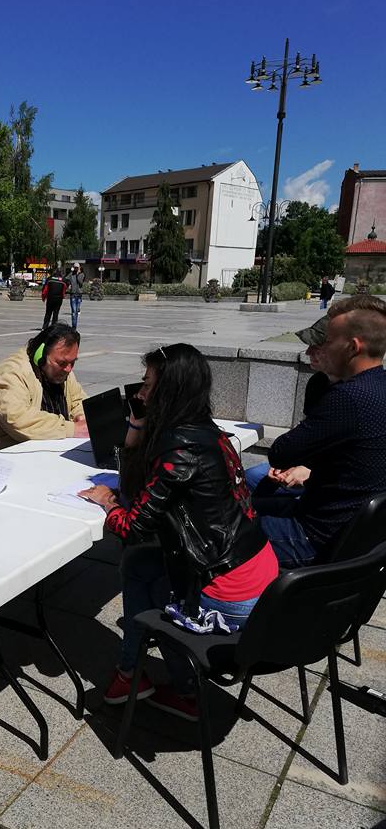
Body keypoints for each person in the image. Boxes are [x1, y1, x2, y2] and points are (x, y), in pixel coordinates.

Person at [79, 344, 278, 720]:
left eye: (147, 385)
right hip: (257, 573)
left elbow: (133, 526)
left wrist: (107, 502)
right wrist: (138, 424)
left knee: (141, 573)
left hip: (230, 597)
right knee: (138, 566)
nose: (139, 394)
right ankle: (130, 674)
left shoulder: (178, 449)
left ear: (168, 391)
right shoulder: (208, 432)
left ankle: (177, 689)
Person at [258, 294, 386, 568]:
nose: (318, 349)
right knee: (244, 505)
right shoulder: (378, 386)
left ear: (352, 347)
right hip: (354, 535)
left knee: (209, 530)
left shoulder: (348, 397)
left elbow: (281, 453)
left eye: (327, 341)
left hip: (314, 537)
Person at [0, 324, 89, 460]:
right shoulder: (12, 373)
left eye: (72, 362)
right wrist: (72, 429)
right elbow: (17, 419)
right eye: (62, 363)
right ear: (40, 356)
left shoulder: (63, 371)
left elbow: (77, 399)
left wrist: (81, 416)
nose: (68, 369)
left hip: (33, 447)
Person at [245, 314, 334, 497]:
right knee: (251, 477)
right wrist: (291, 464)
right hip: (308, 463)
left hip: (330, 478)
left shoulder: (358, 395)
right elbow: (306, 434)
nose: (308, 353)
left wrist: (311, 470)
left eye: (317, 347)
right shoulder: (318, 382)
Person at [66, 262, 85, 329]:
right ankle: (74, 326)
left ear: (79, 267)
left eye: (77, 267)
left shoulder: (82, 274)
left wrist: (77, 274)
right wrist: (69, 284)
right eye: (75, 267)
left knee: (76, 311)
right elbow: (66, 279)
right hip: (73, 294)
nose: (76, 269)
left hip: (79, 295)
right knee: (74, 312)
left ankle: (74, 325)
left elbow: (80, 283)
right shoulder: (71, 274)